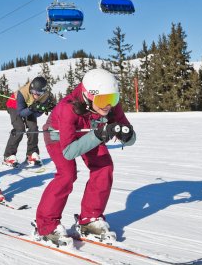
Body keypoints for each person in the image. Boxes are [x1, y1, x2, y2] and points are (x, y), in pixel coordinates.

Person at [34, 68, 136, 246]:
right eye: (103, 100)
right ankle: (45, 225)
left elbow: (130, 138)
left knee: (104, 167)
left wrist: (126, 134)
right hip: (58, 136)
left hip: (89, 133)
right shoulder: (68, 108)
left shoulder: (110, 105)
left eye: (113, 99)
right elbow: (69, 152)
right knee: (67, 174)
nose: (108, 105)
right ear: (88, 96)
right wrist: (100, 134)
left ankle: (89, 219)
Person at [3, 76, 56, 167]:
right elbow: (21, 113)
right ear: (31, 88)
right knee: (19, 128)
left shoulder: (46, 96)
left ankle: (31, 154)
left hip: (28, 108)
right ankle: (8, 155)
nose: (36, 95)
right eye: (34, 92)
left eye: (39, 93)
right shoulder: (22, 93)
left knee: (33, 127)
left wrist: (42, 109)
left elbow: (36, 115)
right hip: (14, 105)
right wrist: (32, 108)